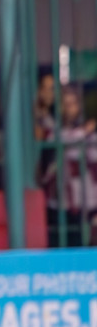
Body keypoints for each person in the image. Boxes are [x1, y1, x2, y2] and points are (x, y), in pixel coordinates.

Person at [43, 85, 97, 245]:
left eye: (73, 104)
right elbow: (62, 142)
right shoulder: (54, 132)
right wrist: (84, 133)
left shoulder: (91, 133)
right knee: (71, 241)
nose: (70, 108)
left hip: (89, 197)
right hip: (64, 201)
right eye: (65, 104)